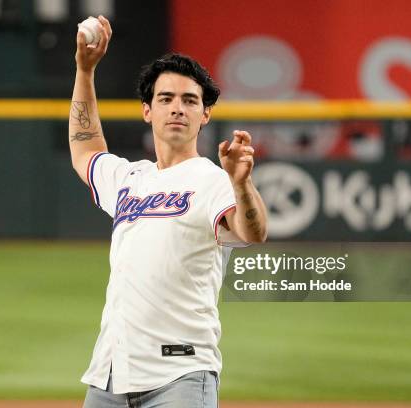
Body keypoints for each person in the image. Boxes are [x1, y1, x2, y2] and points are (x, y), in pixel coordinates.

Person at [68, 15, 268, 408]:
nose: (177, 108)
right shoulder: (129, 179)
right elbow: (85, 146)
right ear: (147, 111)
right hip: (109, 376)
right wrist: (84, 71)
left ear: (204, 115)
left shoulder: (210, 179)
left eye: (190, 100)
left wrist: (241, 183)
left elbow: (252, 233)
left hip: (180, 376)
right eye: (166, 99)